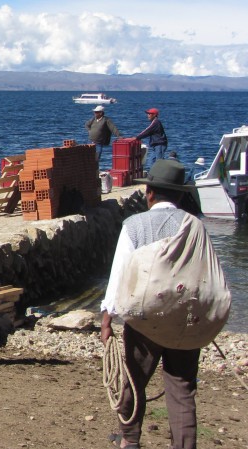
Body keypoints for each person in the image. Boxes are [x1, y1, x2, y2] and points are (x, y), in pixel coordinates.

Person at [100, 160, 226, 449]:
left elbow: (119, 275)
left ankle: (130, 440)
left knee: (133, 382)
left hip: (145, 320)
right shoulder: (196, 226)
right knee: (182, 390)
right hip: (186, 321)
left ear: (149, 193)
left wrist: (107, 319)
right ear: (181, 196)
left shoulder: (135, 225)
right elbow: (205, 273)